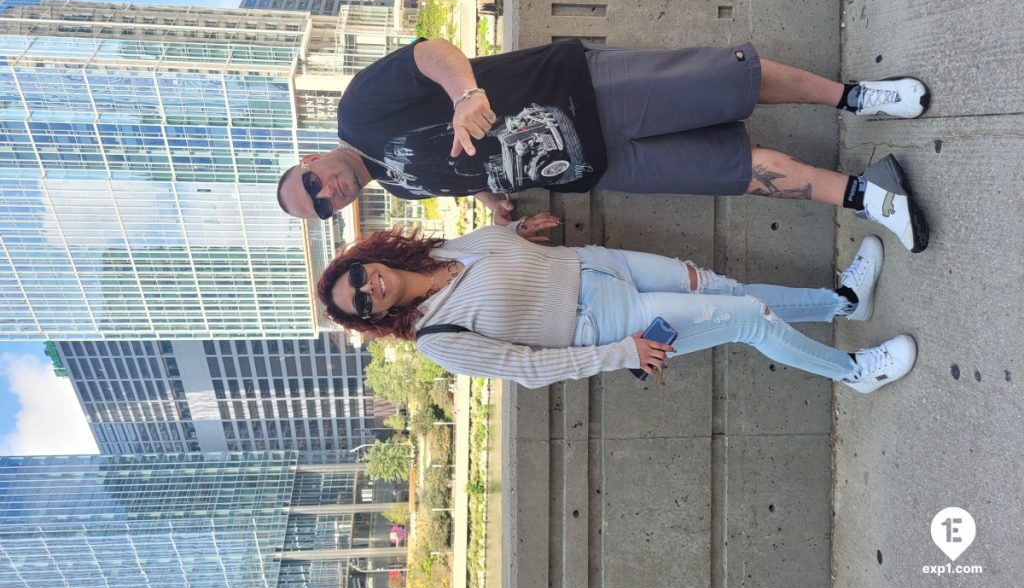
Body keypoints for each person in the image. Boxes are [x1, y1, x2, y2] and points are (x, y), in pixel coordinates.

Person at [278, 38, 930, 253]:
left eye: (313, 185)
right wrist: (492, 204)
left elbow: (431, 52)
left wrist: (465, 94)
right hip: (594, 166)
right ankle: (868, 195)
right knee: (737, 174)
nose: (328, 193)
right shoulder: (394, 186)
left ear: (310, 160)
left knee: (731, 82)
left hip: (584, 89)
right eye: (324, 208)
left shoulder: (358, 109)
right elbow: (457, 162)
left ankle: (858, 96)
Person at [316, 216, 915, 391]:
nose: (371, 289)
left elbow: (500, 256)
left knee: (730, 291)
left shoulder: (438, 250)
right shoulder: (437, 340)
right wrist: (619, 354)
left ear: (368, 259)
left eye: (359, 278)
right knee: (747, 321)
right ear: (374, 319)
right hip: (607, 324)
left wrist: (516, 231)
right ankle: (856, 372)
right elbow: (528, 368)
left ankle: (842, 302)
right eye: (361, 303)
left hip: (604, 264)